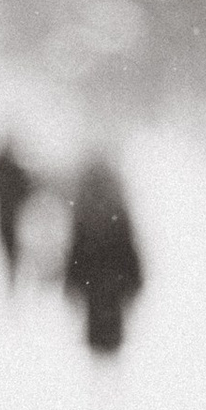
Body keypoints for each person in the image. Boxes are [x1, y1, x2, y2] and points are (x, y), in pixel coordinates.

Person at [61, 153, 144, 357]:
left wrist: (72, 280)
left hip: (98, 281)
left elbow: (76, 249)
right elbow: (128, 246)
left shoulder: (86, 205)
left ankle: (102, 354)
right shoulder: (114, 204)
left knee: (101, 329)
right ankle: (106, 353)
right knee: (105, 330)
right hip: (109, 281)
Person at [0, 135, 35, 288]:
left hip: (11, 215)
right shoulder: (9, 168)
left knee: (10, 245)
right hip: (11, 214)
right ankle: (13, 275)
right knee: (10, 245)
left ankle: (13, 276)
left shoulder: (4, 168)